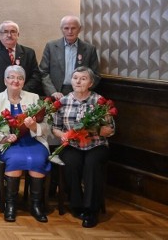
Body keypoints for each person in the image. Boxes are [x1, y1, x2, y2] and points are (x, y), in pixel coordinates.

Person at [52, 66, 114, 229]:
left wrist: (98, 130)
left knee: (92, 165)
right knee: (72, 164)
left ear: (91, 83)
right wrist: (62, 135)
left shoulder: (100, 101)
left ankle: (91, 210)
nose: (78, 81)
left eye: (83, 78)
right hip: (72, 144)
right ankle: (76, 205)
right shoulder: (63, 101)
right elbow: (55, 127)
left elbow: (110, 129)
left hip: (96, 144)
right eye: (75, 78)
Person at [0, 65, 50, 223]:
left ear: (24, 82)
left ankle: (36, 205)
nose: (15, 80)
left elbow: (45, 126)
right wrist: (3, 137)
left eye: (20, 78)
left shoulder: (34, 98)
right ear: (5, 80)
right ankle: (10, 204)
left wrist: (33, 127)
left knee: (38, 160)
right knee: (16, 160)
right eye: (11, 77)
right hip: (8, 143)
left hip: (33, 140)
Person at [40, 15, 100, 99]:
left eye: (73, 28)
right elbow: (43, 72)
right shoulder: (51, 47)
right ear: (61, 29)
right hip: (57, 92)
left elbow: (95, 75)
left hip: (81, 93)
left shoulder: (90, 49)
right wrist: (52, 92)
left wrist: (84, 89)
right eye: (66, 28)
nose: (70, 31)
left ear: (79, 29)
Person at [0, 20, 41, 96]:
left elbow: (35, 76)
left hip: (22, 97)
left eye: (13, 32)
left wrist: (22, 92)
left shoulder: (29, 53)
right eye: (5, 32)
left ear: (18, 34)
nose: (9, 35)